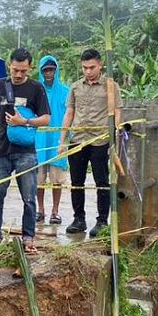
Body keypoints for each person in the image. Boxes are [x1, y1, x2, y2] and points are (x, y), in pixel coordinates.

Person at [0, 48, 51, 252]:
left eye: (23, 70)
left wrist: (24, 122)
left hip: (26, 152)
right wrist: (3, 134)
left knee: (29, 198)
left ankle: (28, 236)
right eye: (15, 70)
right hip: (1, 151)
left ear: (30, 68)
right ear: (9, 65)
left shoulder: (36, 88)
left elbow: (46, 119)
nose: (19, 74)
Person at [60, 48, 111, 238]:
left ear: (100, 65)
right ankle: (79, 219)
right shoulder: (75, 87)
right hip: (78, 141)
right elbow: (69, 113)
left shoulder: (109, 86)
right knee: (77, 182)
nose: (88, 71)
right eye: (84, 68)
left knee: (102, 182)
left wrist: (113, 142)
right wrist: (62, 140)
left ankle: (102, 221)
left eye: (92, 67)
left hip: (100, 141)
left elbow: (117, 112)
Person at [35, 55, 70, 225]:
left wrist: (66, 138)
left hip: (58, 140)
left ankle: (55, 211)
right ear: (41, 72)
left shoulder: (65, 91)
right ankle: (40, 209)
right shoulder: (35, 89)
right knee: (38, 179)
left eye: (51, 70)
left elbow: (70, 114)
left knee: (57, 179)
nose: (49, 73)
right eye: (45, 70)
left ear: (56, 70)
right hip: (39, 139)